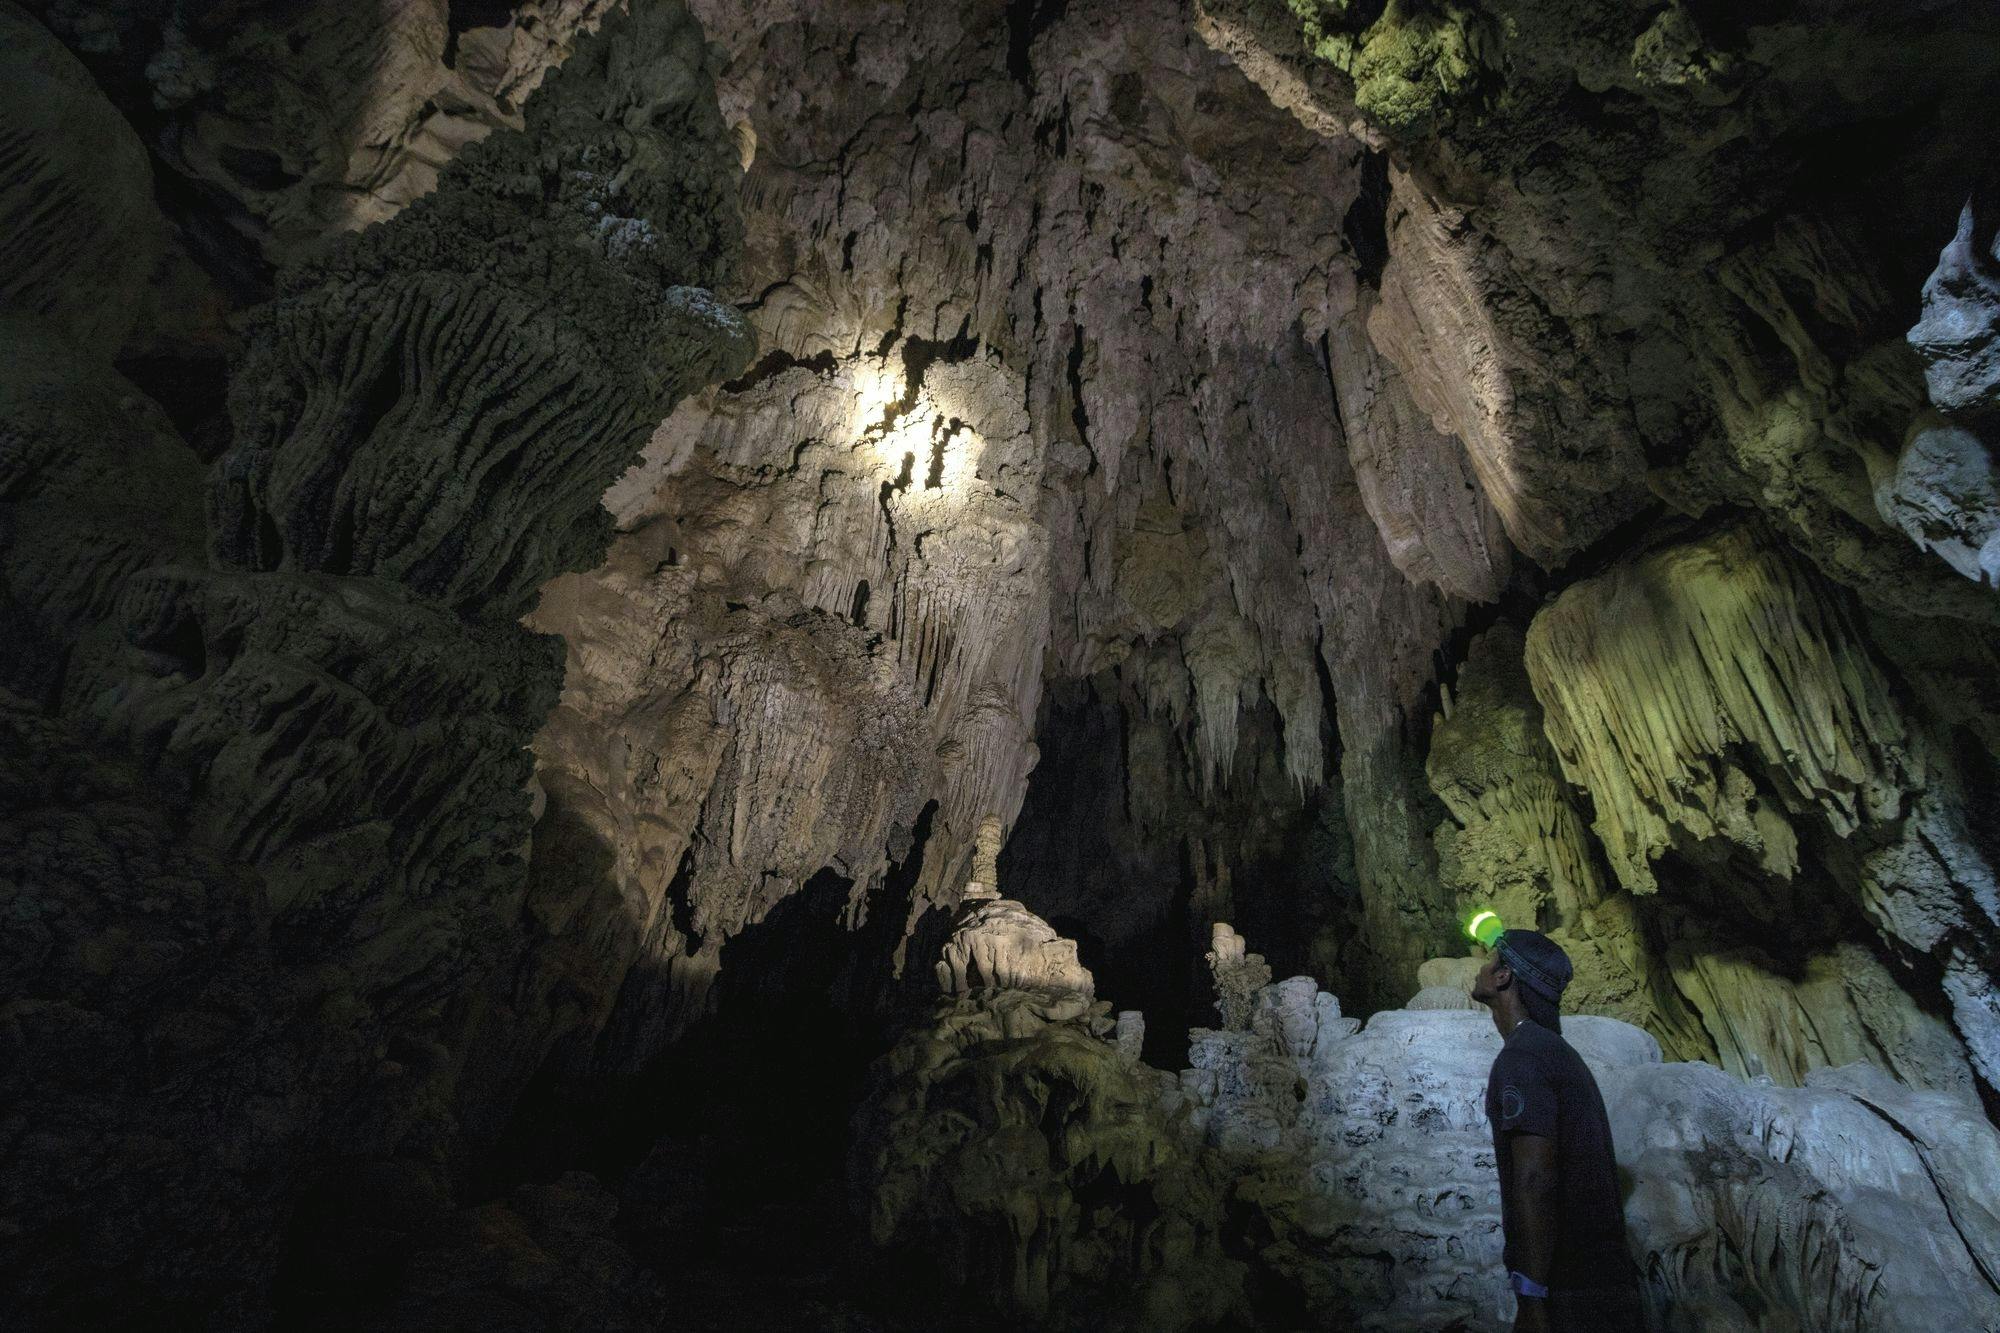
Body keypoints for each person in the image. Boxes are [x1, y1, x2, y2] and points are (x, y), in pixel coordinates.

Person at [1470, 929, 1645, 1332]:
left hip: (1570, 1293)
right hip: (1603, 1285)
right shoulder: (1555, 1052)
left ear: (1503, 977)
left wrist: (1531, 1294)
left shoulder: (1523, 1057)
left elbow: (1535, 1178)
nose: (1480, 965)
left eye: (1490, 958)